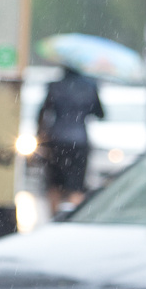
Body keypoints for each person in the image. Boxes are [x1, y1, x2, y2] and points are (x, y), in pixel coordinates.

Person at [36, 64, 103, 215]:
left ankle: (54, 219)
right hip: (79, 142)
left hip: (56, 141)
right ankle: (73, 219)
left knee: (54, 185)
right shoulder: (90, 87)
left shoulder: (55, 86)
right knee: (76, 186)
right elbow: (100, 113)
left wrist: (40, 137)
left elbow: (43, 113)